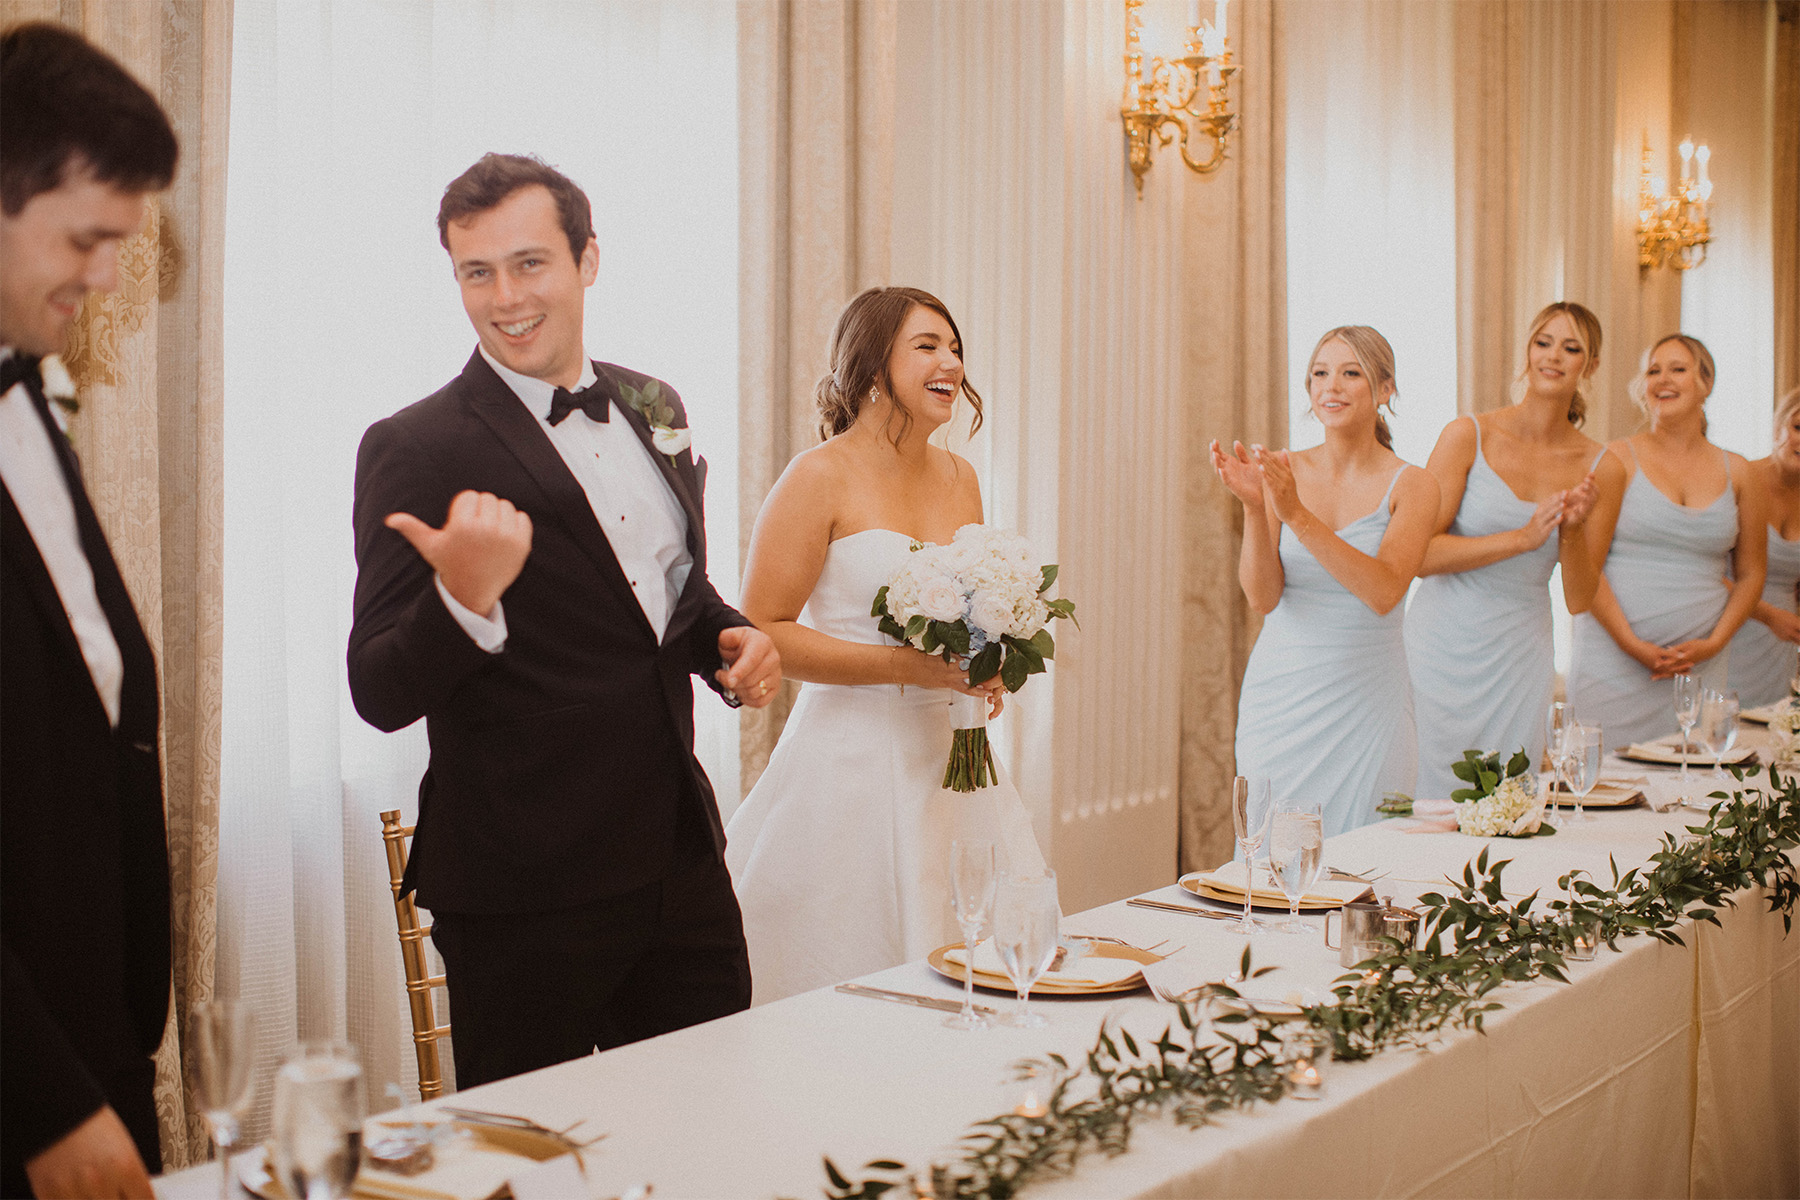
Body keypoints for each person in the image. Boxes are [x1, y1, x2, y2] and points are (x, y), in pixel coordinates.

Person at [346, 153, 780, 1088]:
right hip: (521, 893)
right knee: (532, 1163)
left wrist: (725, 636)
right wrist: (463, 599)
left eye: (531, 263)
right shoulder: (414, 446)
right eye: (477, 271)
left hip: (679, 862)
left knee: (715, 1131)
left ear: (588, 259)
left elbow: (661, 591)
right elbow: (377, 688)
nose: (505, 297)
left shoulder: (653, 404)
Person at [724, 287, 1045, 1005]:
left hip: (953, 761)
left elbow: (971, 611)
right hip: (850, 764)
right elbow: (763, 626)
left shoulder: (962, 476)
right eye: (927, 345)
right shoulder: (818, 476)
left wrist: (986, 665)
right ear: (873, 368)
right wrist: (908, 666)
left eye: (956, 347)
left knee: (968, 960)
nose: (951, 363)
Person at [0, 22, 179, 1200]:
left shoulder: (27, 400)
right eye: (87, 238)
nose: (108, 277)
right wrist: (43, 1099)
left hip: (93, 1032)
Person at [1213, 326, 1438, 838]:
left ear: (1385, 391)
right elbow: (1261, 596)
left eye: (1350, 373)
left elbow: (1384, 592)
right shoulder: (1281, 469)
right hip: (1283, 697)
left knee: (1370, 860)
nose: (1331, 386)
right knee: (1271, 861)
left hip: (1369, 703)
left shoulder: (1414, 484)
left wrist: (1295, 513)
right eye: (1320, 373)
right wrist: (1255, 506)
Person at [1406, 303, 1623, 797]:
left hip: (1519, 652)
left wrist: (1570, 528)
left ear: (1589, 367)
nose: (1553, 356)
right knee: (1420, 796)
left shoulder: (1603, 467)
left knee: (1505, 796)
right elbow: (1418, 557)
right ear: (1527, 351)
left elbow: (1580, 599)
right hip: (1439, 643)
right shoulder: (1467, 435)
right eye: (1543, 342)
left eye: (1572, 348)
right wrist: (1523, 539)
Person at [1568, 334, 1767, 745]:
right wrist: (1631, 643)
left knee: (1689, 784)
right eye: (1653, 371)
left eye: (1678, 369)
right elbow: (1587, 566)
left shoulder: (1741, 472)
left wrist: (1714, 643)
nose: (1663, 379)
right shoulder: (1616, 458)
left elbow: (1751, 573)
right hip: (1613, 662)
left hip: (1699, 669)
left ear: (1705, 383)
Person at [1727, 386, 1800, 707]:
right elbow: (1705, 573)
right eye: (1797, 427)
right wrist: (1770, 617)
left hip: (1785, 646)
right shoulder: (1742, 478)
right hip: (1730, 629)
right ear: (1778, 425)